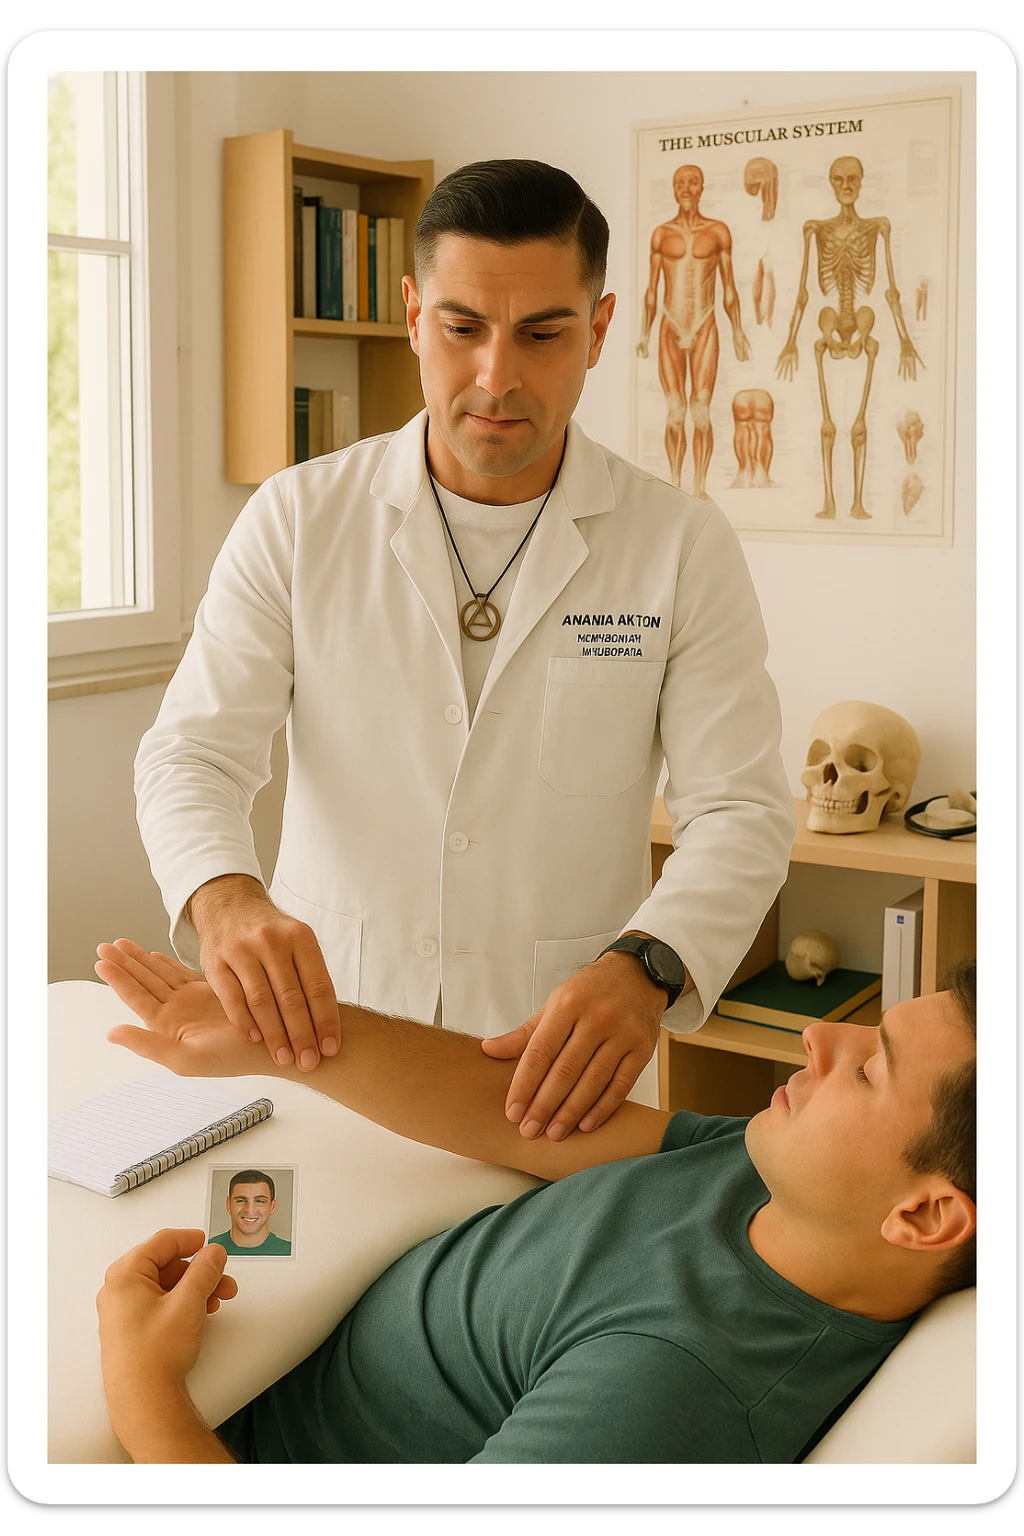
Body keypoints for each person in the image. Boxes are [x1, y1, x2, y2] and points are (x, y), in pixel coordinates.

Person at [134, 158, 794, 1147]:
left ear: (600, 330)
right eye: (461, 328)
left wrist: (649, 966)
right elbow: (192, 752)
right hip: (328, 1043)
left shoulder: (677, 545)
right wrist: (225, 898)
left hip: (547, 1067)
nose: (497, 376)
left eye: (541, 334)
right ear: (411, 315)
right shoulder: (299, 519)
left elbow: (739, 809)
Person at [94, 940, 976, 1465]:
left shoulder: (670, 1388)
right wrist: (284, 1039)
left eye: (868, 1069)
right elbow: (520, 1121)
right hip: (262, 1354)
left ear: (924, 1217)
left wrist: (144, 1391)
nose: (820, 1035)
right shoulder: (771, 1177)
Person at [636, 162, 751, 497]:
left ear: (702, 187)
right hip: (669, 325)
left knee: (701, 412)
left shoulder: (717, 232)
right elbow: (651, 290)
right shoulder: (661, 234)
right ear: (673, 189)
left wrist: (738, 330)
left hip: (704, 326)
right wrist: (644, 334)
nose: (686, 189)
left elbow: (729, 286)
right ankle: (675, 486)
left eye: (693, 182)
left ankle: (699, 489)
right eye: (680, 183)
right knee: (675, 413)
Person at [209, 1169, 292, 1256]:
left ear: (272, 1206)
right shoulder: (208, 1249)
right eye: (241, 1200)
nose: (249, 1210)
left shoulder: (290, 1251)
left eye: (260, 1201)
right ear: (228, 1204)